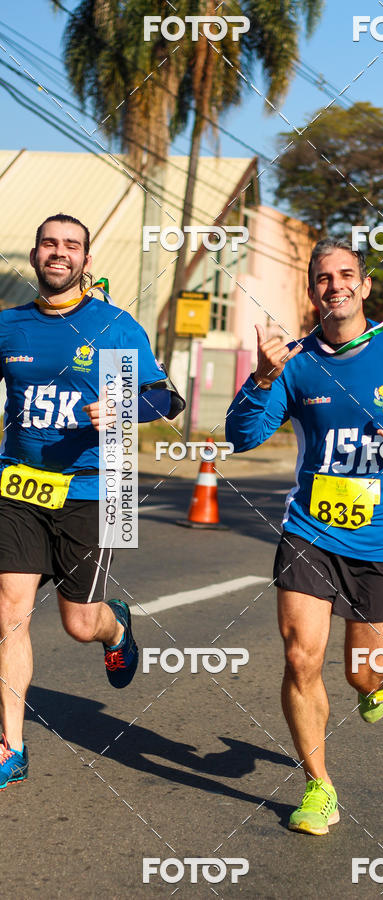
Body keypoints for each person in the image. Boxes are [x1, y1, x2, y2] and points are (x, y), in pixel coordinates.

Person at [226, 237, 383, 835]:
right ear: (312, 292)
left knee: (363, 670)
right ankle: (318, 786)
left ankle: (379, 679)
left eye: (346, 275)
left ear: (363, 286)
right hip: (309, 530)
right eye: (323, 277)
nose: (335, 285)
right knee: (299, 655)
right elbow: (241, 437)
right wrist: (261, 376)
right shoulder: (296, 361)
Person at [0, 213, 184, 790]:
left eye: (71, 246)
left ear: (86, 259)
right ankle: (11, 745)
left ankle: (116, 629)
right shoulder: (9, 326)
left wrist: (127, 409)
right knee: (9, 616)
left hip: (91, 490)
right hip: (18, 486)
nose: (59, 253)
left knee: (80, 624)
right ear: (34, 256)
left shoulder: (114, 326)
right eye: (49, 244)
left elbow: (166, 399)